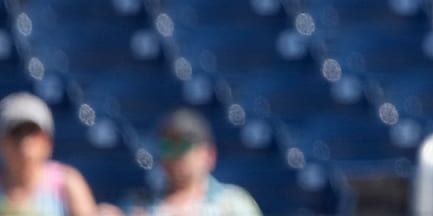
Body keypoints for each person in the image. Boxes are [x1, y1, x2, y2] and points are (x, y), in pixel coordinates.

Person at [108, 108, 261, 216]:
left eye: (183, 146)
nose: (174, 155)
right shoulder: (137, 204)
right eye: (166, 147)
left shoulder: (232, 203)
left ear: (208, 155)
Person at [0, 91, 97, 216]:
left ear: (47, 141)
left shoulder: (67, 183)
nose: (24, 142)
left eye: (32, 132)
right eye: (16, 133)